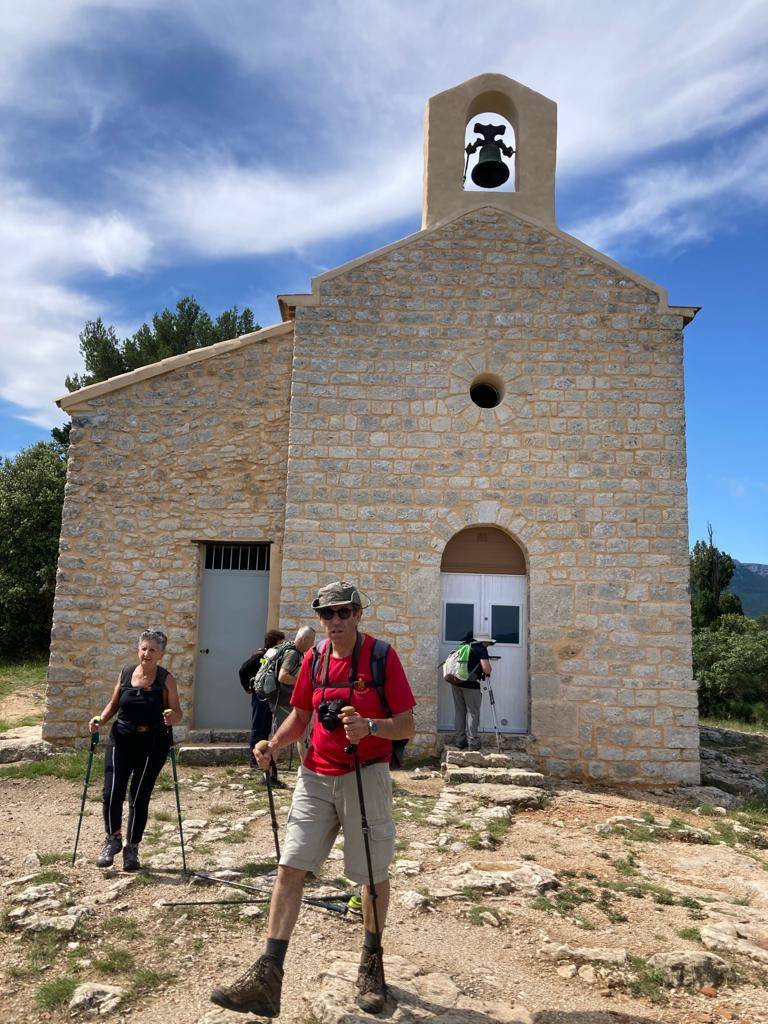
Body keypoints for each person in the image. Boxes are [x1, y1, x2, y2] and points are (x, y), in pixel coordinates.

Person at [211, 581, 416, 1018]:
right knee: (290, 866)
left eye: (344, 612)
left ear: (358, 614)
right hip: (315, 775)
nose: (336, 621)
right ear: (320, 620)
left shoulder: (381, 657)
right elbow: (301, 715)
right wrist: (276, 744)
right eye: (327, 614)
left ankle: (372, 964)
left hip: (367, 775)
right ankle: (268, 974)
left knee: (372, 874)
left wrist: (371, 728)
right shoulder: (315, 658)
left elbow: (407, 724)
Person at [89, 629, 182, 871]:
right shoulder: (126, 673)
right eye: (144, 648)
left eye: (152, 649)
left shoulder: (166, 679)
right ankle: (113, 840)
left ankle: (132, 849)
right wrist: (100, 719)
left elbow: (178, 711)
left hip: (153, 744)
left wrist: (172, 718)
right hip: (121, 739)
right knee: (111, 793)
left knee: (138, 798)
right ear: (138, 650)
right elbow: (113, 703)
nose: (147, 653)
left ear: (161, 654)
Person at [239, 630, 285, 773]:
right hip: (259, 696)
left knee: (265, 726)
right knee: (258, 726)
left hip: (268, 697)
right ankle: (254, 759)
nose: (282, 644)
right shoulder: (261, 656)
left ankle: (262, 757)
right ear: (274, 642)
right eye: (280, 642)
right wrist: (247, 687)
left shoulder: (272, 656)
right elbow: (243, 669)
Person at [271, 625, 316, 773]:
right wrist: (302, 682)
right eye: (311, 641)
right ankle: (268, 774)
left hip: (287, 701)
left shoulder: (292, 650)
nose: (312, 645)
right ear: (304, 639)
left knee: (302, 736)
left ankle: (306, 770)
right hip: (284, 702)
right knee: (277, 740)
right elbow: (282, 676)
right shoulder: (293, 654)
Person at [451, 631, 494, 751]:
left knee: (460, 711)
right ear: (483, 641)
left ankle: (459, 741)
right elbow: (486, 669)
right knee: (473, 712)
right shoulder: (481, 649)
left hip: (456, 682)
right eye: (488, 643)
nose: (488, 645)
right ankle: (472, 742)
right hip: (470, 685)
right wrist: (489, 670)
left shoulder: (463, 646)